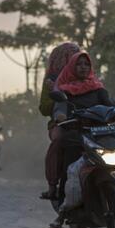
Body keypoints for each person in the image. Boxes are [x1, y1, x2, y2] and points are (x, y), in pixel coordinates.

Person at [49, 51, 115, 228]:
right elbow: (59, 108)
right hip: (77, 134)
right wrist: (60, 115)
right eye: (79, 64)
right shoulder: (64, 91)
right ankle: (62, 213)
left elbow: (112, 106)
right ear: (72, 67)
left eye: (86, 64)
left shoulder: (98, 88)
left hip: (102, 134)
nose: (83, 67)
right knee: (70, 167)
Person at [39, 42, 80, 200]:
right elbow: (43, 108)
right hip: (61, 123)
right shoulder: (51, 81)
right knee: (58, 141)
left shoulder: (87, 76)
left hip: (86, 121)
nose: (72, 62)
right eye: (68, 58)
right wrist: (54, 94)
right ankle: (52, 185)